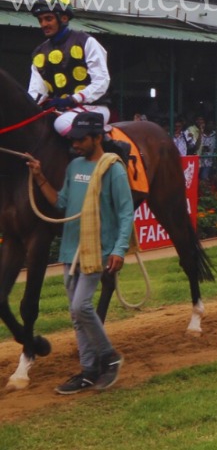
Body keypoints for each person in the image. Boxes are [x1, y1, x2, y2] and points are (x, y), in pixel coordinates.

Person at [24, 115, 134, 393]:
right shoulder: (74, 167)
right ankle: (89, 371)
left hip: (97, 250)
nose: (75, 144)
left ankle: (109, 357)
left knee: (80, 307)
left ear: (97, 137)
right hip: (71, 249)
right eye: (73, 139)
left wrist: (119, 249)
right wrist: (39, 177)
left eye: (81, 139)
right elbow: (61, 203)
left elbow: (125, 213)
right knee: (76, 315)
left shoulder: (113, 169)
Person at [27, 0, 112, 140]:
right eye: (40, 20)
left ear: (64, 18)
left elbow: (101, 81)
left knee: (61, 124)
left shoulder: (86, 42)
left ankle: (105, 146)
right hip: (62, 111)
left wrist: (73, 99)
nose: (43, 24)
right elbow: (36, 92)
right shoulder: (39, 54)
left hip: (95, 107)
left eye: (48, 18)